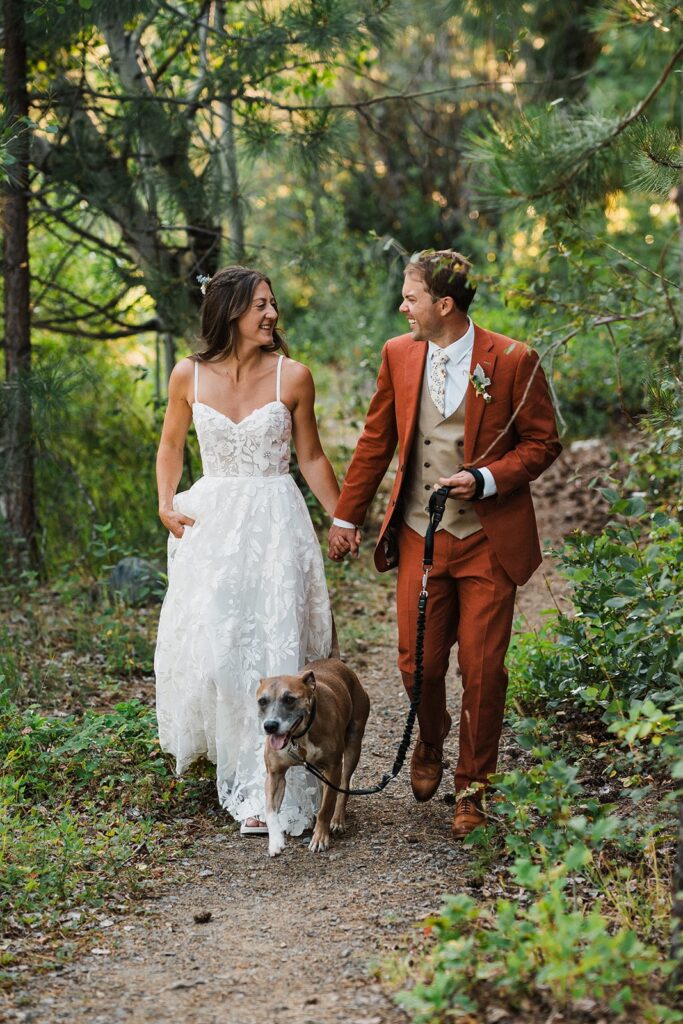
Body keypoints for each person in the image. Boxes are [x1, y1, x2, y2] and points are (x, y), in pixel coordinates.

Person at [328, 249, 561, 839]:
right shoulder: (398, 355)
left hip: (488, 539)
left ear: (444, 305)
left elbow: (542, 444)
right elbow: (375, 442)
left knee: (483, 672)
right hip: (418, 537)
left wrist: (485, 478)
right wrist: (346, 518)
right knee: (418, 665)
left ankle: (473, 788)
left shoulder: (512, 360)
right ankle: (429, 738)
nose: (401, 307)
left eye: (410, 297)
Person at [155, 265, 340, 836]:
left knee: (276, 638)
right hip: (213, 528)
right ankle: (240, 770)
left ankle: (277, 787)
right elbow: (169, 445)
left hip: (276, 526)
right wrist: (165, 501)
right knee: (222, 648)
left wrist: (345, 516)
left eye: (273, 304)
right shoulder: (187, 374)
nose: (272, 314)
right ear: (230, 310)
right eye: (260, 304)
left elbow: (310, 457)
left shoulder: (294, 376)